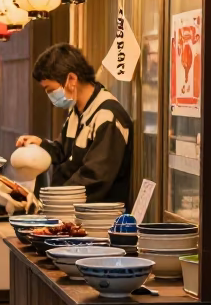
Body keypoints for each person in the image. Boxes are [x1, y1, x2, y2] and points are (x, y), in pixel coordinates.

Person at [17, 42, 133, 204]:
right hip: (69, 211)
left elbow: (95, 177)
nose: (50, 96)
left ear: (71, 79)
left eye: (50, 90)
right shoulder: (77, 111)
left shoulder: (107, 116)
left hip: (96, 218)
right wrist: (41, 145)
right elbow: (64, 153)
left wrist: (53, 199)